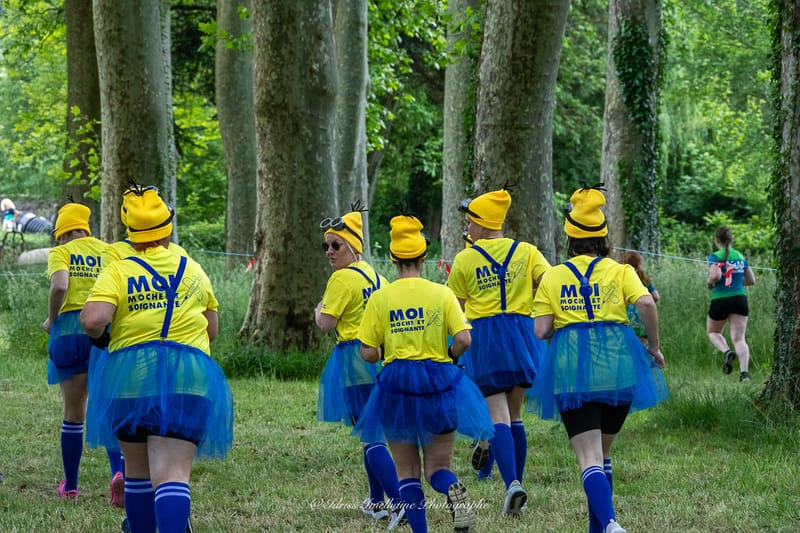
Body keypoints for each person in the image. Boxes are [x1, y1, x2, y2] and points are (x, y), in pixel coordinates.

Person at [80, 185, 233, 533]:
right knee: (173, 474)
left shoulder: (119, 270)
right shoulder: (193, 270)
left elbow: (92, 320)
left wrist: (105, 336)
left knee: (136, 473)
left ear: (130, 233)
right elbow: (212, 329)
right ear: (168, 229)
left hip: (130, 378)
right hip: (189, 379)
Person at [527, 185, 669, 533]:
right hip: (618, 365)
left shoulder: (553, 276)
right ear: (603, 238)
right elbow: (648, 303)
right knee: (603, 455)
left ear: (570, 239)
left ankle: (609, 522)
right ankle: (600, 527)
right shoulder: (620, 271)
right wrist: (653, 346)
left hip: (572, 370)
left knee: (587, 457)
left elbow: (541, 331)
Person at [353, 214, 494, 533]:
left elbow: (367, 351)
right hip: (439, 382)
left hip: (396, 386)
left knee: (407, 472)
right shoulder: (442, 294)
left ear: (393, 258)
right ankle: (453, 490)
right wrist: (448, 356)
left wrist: (382, 352)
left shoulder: (381, 298)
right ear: (423, 256)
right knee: (438, 468)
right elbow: (464, 339)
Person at [446, 187, 550, 517]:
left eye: (470, 222)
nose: (467, 228)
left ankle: (512, 484)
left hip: (485, 338)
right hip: (522, 334)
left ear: (482, 223)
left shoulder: (465, 259)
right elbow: (550, 282)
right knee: (516, 415)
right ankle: (516, 483)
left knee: (497, 416)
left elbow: (454, 308)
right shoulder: (528, 251)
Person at [314, 203, 401, 522]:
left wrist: (318, 309)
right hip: (380, 357)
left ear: (353, 247)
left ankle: (399, 504)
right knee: (374, 431)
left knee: (369, 436)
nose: (329, 251)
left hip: (353, 360)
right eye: (325, 245)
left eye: (336, 244)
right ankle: (375, 501)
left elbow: (326, 322)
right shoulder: (378, 277)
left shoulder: (341, 279)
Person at [41, 201, 125, 504]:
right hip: (104, 328)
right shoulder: (110, 250)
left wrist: (52, 318)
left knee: (73, 412)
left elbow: (60, 286)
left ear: (60, 233)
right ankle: (119, 473)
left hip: (69, 331)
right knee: (107, 406)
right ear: (85, 228)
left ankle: (72, 485)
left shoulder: (60, 252)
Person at [706, 226, 756, 382]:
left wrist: (710, 282)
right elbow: (751, 280)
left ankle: (726, 351)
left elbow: (715, 274)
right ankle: (744, 374)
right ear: (730, 239)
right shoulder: (740, 257)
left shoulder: (715, 256)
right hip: (739, 299)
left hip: (720, 298)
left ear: (716, 240)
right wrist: (736, 282)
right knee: (739, 339)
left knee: (713, 332)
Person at [621, 251, 660, 344]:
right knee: (642, 349)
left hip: (627, 319)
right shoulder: (644, 278)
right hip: (642, 318)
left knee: (628, 349)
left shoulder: (622, 277)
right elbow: (656, 296)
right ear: (639, 263)